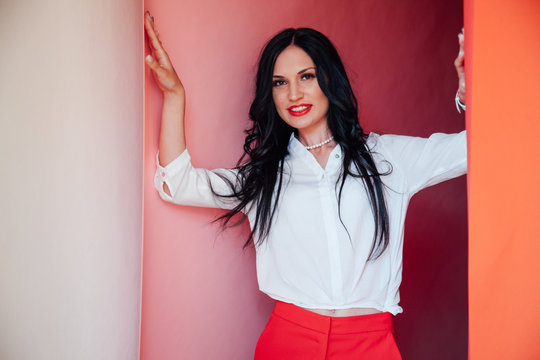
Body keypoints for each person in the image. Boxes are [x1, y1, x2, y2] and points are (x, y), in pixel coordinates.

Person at [144, 11, 466, 359]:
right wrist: (174, 95)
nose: (293, 93)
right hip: (289, 342)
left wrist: (468, 97)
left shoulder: (388, 159)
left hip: (370, 344)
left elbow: (477, 148)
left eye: (306, 77)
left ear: (330, 80)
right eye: (279, 82)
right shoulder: (264, 178)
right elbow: (176, 184)